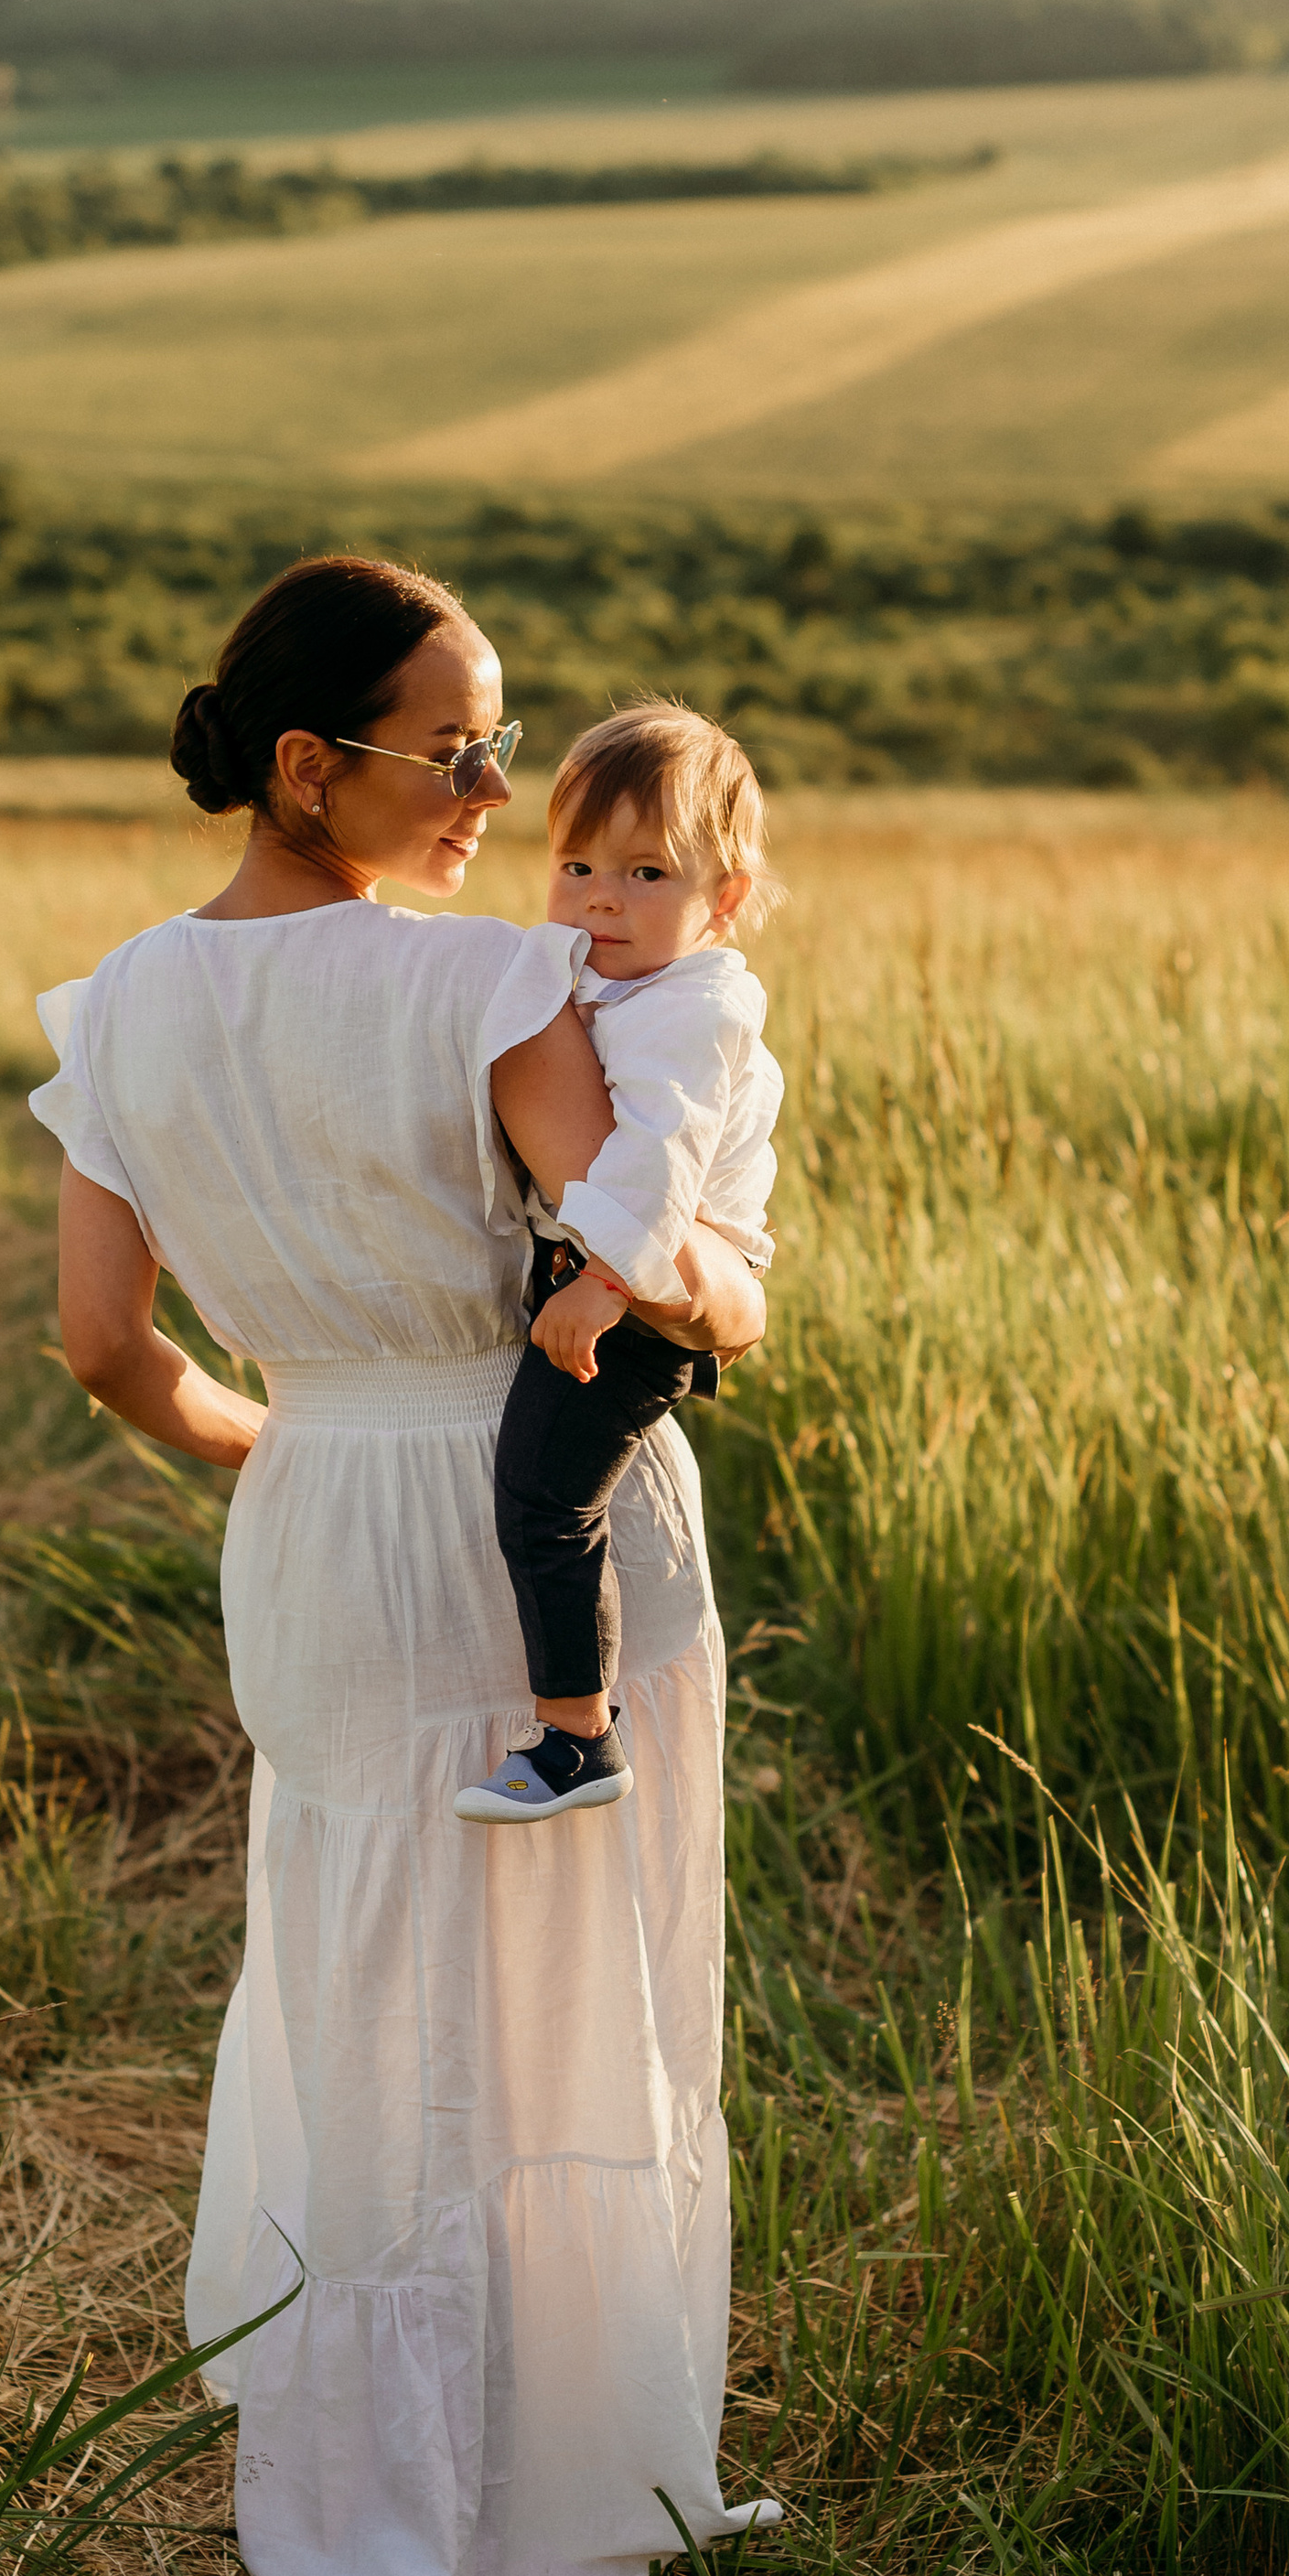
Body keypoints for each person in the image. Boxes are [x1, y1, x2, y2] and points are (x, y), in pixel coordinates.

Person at [28, 555, 777, 2576]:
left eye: (502, 743)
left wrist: (294, 1440)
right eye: (454, 747)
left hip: (324, 1514)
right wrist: (738, 1291)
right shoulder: (484, 990)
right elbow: (644, 1261)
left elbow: (99, 1342)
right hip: (529, 1497)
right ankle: (553, 2479)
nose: (489, 785)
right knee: (557, 1987)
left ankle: (357, 2515)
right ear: (305, 762)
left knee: (363, 1994)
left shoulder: (118, 1009)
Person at [455, 703, 784, 1826]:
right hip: (605, 1266)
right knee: (542, 1486)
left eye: (647, 872)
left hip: (642, 1292)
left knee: (544, 1497)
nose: (601, 896)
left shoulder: (695, 1006)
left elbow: (659, 1159)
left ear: (724, 900)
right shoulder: (608, 976)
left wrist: (602, 1286)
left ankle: (576, 1740)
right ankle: (574, 1726)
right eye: (577, 864)